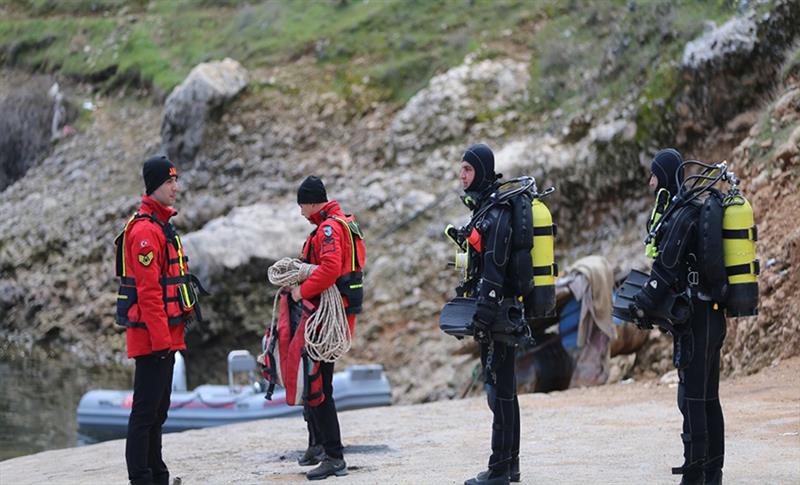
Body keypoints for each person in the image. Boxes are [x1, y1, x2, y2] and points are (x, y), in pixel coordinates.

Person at [633, 148, 726, 485]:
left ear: (666, 177)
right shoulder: (689, 211)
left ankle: (695, 474)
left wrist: (640, 304)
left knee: (693, 398)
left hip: (698, 321)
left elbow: (665, 270)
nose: (650, 181)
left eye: (654, 175)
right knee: (707, 398)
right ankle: (711, 473)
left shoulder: (682, 215)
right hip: (710, 316)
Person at [116, 155, 202, 485]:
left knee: (158, 413)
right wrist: (162, 342)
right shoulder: (144, 233)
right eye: (169, 182)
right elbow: (150, 294)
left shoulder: (161, 227)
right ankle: (141, 478)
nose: (175, 188)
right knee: (144, 413)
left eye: (175, 181)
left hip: (166, 336)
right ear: (154, 186)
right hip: (153, 338)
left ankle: (157, 474)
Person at [456, 144, 521, 485]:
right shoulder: (486, 209)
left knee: (499, 390)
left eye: (467, 169)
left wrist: (482, 315)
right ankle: (510, 465)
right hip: (502, 310)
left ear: (481, 171)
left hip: (499, 312)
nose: (462, 176)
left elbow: (495, 269)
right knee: (505, 390)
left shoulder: (496, 213)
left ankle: (499, 469)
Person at [293, 175, 365, 481]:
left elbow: (330, 268)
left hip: (327, 318)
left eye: (301, 205)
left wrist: (301, 291)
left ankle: (334, 455)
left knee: (318, 384)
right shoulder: (340, 223)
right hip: (334, 317)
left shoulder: (327, 229)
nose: (300, 212)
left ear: (311, 202)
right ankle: (320, 445)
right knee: (320, 382)